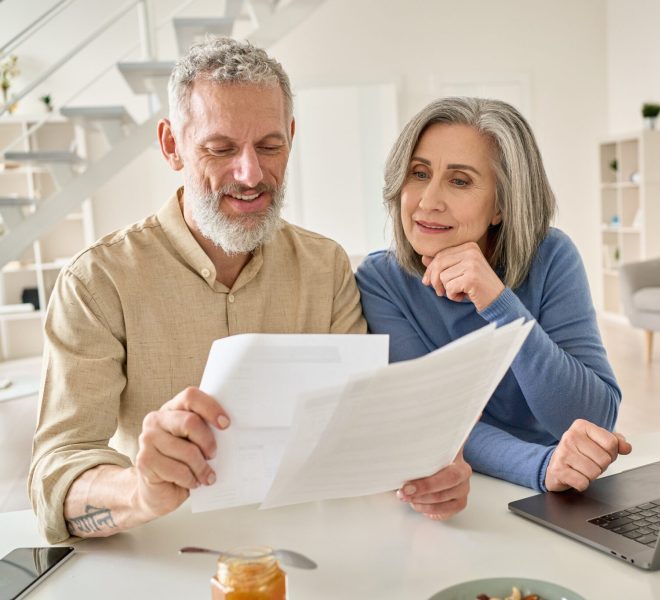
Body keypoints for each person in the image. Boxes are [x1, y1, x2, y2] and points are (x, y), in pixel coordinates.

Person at [28, 38, 465, 544]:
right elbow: (55, 475)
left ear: (293, 137)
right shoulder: (97, 282)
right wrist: (138, 491)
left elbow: (361, 432)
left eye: (270, 146)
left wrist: (428, 468)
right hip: (162, 558)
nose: (251, 174)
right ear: (171, 145)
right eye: (220, 148)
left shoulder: (326, 268)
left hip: (312, 553)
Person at [356, 97, 632, 497]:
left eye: (460, 180)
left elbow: (593, 417)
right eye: (418, 173)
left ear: (501, 205)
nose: (428, 200)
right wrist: (540, 466)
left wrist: (500, 305)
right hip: (457, 488)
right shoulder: (381, 279)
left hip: (556, 488)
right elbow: (433, 419)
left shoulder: (551, 256)